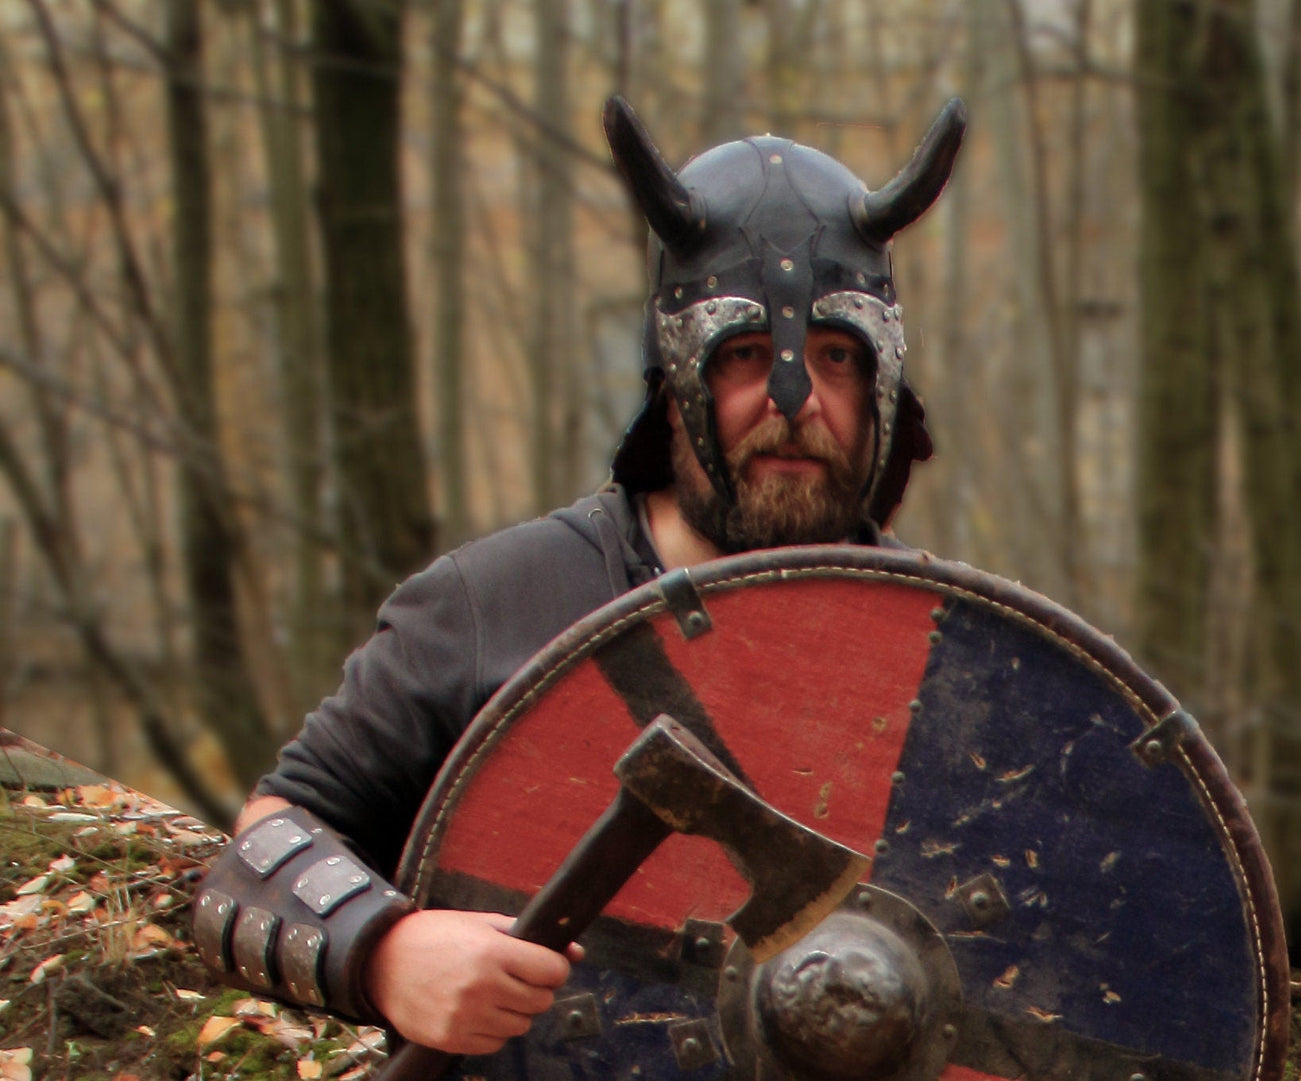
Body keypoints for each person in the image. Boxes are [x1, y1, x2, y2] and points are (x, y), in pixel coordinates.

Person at [192, 94, 966, 1058]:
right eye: (744, 356)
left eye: (835, 356)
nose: (792, 400)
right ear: (676, 373)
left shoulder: (948, 656)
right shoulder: (493, 604)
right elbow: (258, 851)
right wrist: (385, 950)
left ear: (882, 381)